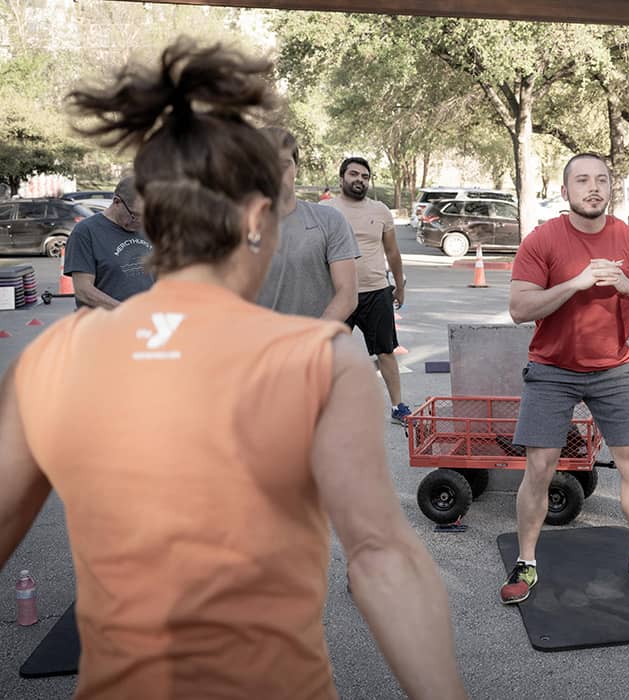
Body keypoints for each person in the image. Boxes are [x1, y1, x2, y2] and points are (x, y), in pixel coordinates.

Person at [0, 40, 464, 699]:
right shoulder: (319, 359)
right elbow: (383, 559)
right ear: (253, 218)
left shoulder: (53, 356)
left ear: (153, 217)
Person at [501, 152, 629, 605]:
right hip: (551, 368)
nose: (593, 187)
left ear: (610, 188)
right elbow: (519, 309)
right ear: (565, 191)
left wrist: (628, 287)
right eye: (582, 180)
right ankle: (526, 561)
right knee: (539, 468)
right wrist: (575, 285)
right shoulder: (542, 240)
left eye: (601, 180)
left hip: (613, 368)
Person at [323, 157, 410, 424]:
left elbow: (392, 251)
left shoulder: (380, 210)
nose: (359, 180)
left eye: (364, 176)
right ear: (341, 178)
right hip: (338, 293)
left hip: (376, 291)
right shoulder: (325, 210)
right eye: (354, 174)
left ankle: (398, 407)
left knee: (385, 351)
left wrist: (399, 285)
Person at [256, 128, 359, 322]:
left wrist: (310, 339)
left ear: (296, 168)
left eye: (283, 165)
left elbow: (347, 294)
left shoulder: (330, 221)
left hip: (313, 347)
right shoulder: (230, 226)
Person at [63, 175, 154, 309]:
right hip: (103, 324)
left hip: (146, 323)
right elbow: (83, 291)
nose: (141, 223)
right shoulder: (86, 232)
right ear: (117, 202)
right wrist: (126, 312)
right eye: (135, 216)